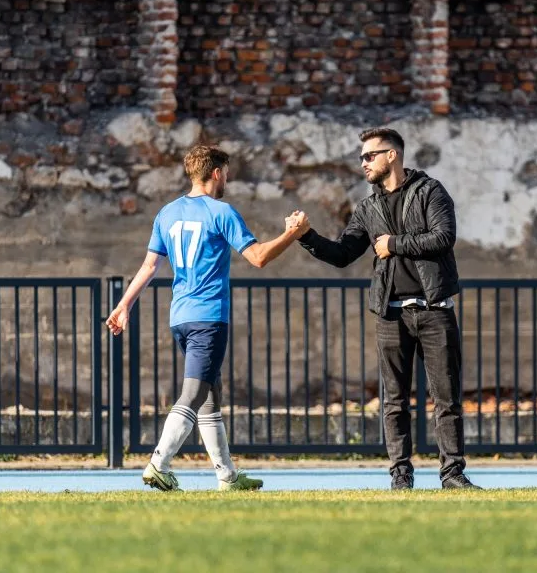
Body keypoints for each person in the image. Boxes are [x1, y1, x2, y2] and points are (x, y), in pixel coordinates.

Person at [107, 144, 310, 492]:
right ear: (216, 173)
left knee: (210, 395)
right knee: (193, 394)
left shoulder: (167, 213)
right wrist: (293, 233)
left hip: (181, 317)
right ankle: (158, 463)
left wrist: (125, 303)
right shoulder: (221, 212)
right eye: (227, 172)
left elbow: (149, 266)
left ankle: (227, 475)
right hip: (209, 317)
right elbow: (258, 257)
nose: (227, 178)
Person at [289, 127, 479, 490]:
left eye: (369, 155)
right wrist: (307, 238)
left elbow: (443, 237)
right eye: (362, 157)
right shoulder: (368, 207)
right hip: (390, 313)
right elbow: (345, 253)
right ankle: (400, 475)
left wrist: (394, 243)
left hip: (435, 308)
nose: (363, 163)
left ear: (392, 155)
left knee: (447, 398)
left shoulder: (430, 191)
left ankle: (452, 474)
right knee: (393, 400)